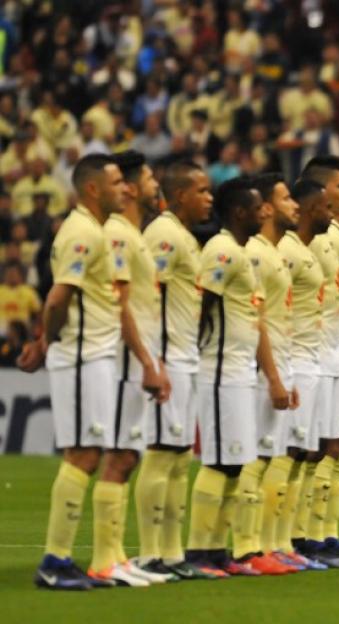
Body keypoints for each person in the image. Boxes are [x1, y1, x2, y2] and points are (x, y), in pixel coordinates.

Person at [22, 155, 152, 590]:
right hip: (81, 355)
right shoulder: (82, 233)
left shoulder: (93, 231)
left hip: (93, 354)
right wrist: (48, 339)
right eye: (115, 182)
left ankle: (63, 559)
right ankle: (54, 561)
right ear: (93, 188)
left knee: (89, 454)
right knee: (83, 455)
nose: (124, 189)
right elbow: (58, 298)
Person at [183, 177, 273, 575]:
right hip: (220, 369)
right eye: (256, 208)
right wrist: (202, 348)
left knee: (234, 464)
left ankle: (219, 552)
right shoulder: (221, 249)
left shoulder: (239, 251)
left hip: (239, 369)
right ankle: (199, 553)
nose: (263, 213)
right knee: (219, 462)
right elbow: (204, 302)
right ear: (239, 212)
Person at [137, 160, 215, 580]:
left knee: (180, 457)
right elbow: (149, 295)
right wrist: (154, 359)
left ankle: (170, 553)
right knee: (161, 453)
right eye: (202, 191)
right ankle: (149, 553)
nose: (209, 198)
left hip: (187, 357)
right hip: (168, 358)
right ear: (180, 194)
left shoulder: (183, 236)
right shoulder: (164, 234)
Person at [239, 174, 319, 573]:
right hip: (259, 367)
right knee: (258, 457)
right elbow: (256, 319)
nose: (295, 205)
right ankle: (248, 547)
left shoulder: (273, 252)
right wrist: (272, 375)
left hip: (284, 362)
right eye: (286, 198)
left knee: (276, 457)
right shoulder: (256, 252)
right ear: (267, 207)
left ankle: (274, 544)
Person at [102, 150, 173, 584]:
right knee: (118, 457)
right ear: (129, 187)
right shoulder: (117, 234)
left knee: (128, 456)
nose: (154, 184)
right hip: (123, 360)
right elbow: (120, 305)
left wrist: (153, 359)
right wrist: (147, 361)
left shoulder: (135, 235)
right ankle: (105, 560)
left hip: (138, 358)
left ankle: (117, 557)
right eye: (148, 177)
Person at [301, 156, 339, 566]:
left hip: (336, 354)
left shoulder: (335, 239)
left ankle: (320, 533)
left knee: (334, 447)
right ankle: (303, 535)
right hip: (314, 355)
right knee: (314, 450)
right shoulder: (318, 239)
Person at [277, 179, 334, 561]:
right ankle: (270, 542)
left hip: (311, 359)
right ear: (312, 208)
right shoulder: (286, 250)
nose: (333, 212)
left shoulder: (304, 250)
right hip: (293, 360)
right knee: (288, 454)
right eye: (327, 205)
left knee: (305, 455)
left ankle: (291, 539)